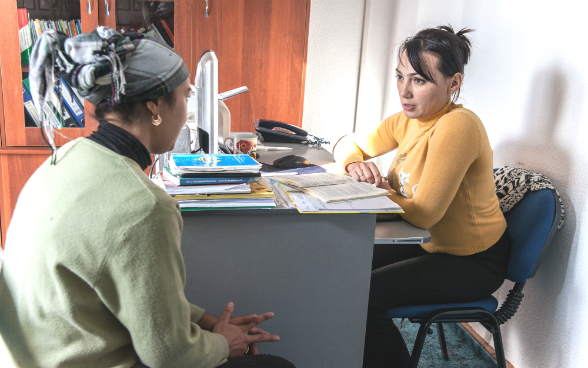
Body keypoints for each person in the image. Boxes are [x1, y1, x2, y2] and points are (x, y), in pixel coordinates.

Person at [0, 27, 294, 368]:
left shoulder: (62, 159)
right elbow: (169, 355)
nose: (186, 111)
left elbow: (127, 289)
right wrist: (223, 344)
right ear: (154, 104)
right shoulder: (145, 206)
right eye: (185, 97)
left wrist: (205, 322)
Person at [333, 25, 511, 367]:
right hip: (429, 243)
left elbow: (424, 214)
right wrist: (355, 163)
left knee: (362, 294)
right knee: (342, 264)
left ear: (453, 83)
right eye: (400, 77)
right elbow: (345, 143)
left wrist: (383, 191)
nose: (405, 91)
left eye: (419, 80)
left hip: (474, 259)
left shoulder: (458, 126)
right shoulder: (407, 120)